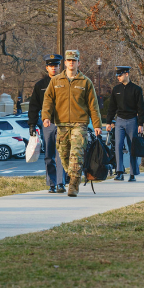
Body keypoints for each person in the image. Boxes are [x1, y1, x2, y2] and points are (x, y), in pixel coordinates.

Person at [41, 49, 102, 197]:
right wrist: (46, 117)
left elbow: (93, 105)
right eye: (69, 60)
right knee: (63, 155)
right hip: (61, 124)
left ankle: (73, 185)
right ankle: (74, 173)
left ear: (78, 62)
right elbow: (48, 100)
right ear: (65, 62)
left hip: (79, 124)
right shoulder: (56, 81)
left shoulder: (85, 82)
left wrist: (97, 125)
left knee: (77, 154)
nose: (71, 63)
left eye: (74, 60)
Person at [28, 54, 65, 193]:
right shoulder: (40, 85)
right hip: (47, 124)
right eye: (51, 66)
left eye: (56, 65)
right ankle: (51, 183)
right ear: (47, 68)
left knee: (61, 155)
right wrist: (32, 124)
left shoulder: (65, 82)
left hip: (62, 123)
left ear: (59, 67)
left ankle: (61, 183)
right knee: (49, 155)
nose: (53, 68)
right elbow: (33, 106)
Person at [103, 66, 144, 181]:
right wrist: (108, 122)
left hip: (132, 120)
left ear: (127, 74)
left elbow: (141, 108)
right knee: (118, 146)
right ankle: (119, 171)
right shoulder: (116, 89)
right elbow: (112, 107)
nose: (118, 77)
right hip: (120, 121)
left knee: (132, 147)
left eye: (120, 75)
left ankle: (132, 173)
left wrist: (140, 124)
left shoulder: (136, 89)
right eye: (117, 75)